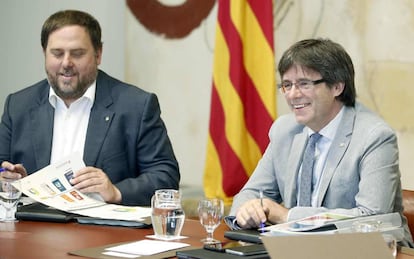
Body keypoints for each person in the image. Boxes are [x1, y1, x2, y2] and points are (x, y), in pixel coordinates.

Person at [227, 38, 413, 246]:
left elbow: (371, 217)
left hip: (369, 251)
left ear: (337, 87)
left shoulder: (374, 136)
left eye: (304, 84)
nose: (292, 95)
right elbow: (250, 194)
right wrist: (248, 209)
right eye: (287, 85)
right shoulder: (284, 130)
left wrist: (287, 216)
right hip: (296, 249)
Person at [0, 10, 180, 206]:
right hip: (34, 229)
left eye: (77, 54)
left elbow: (166, 177)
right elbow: (1, 167)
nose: (66, 63)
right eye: (57, 53)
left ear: (98, 54)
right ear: (44, 53)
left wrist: (116, 191)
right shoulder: (18, 105)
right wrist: (8, 179)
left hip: (104, 233)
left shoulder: (137, 105)